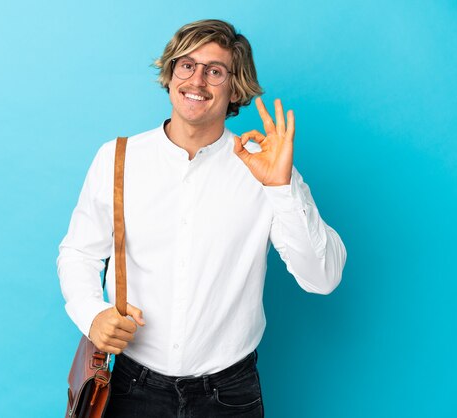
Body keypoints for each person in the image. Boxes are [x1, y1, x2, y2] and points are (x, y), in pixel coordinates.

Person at [57, 19, 346, 417]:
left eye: (215, 71)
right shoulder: (117, 159)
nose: (197, 80)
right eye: (186, 65)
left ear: (234, 87)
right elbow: (78, 253)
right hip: (131, 387)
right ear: (171, 73)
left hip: (229, 394)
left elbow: (323, 278)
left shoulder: (265, 167)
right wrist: (92, 314)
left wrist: (282, 188)